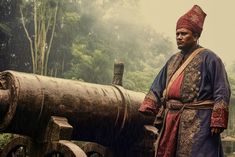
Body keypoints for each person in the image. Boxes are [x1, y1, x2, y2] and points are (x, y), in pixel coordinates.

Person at [139, 5, 231, 157]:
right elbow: (158, 84)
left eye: (184, 33)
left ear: (195, 36)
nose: (179, 37)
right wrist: (149, 105)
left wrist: (218, 120)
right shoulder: (173, 60)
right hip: (171, 120)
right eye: (177, 34)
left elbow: (222, 89)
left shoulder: (210, 58)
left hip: (199, 121)